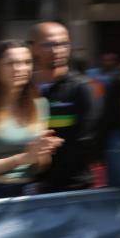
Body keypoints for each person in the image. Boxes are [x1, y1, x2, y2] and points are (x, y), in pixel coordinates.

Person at [0, 40, 62, 201]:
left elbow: (41, 166)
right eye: (11, 63)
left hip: (28, 193)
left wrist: (42, 154)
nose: (20, 68)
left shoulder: (40, 105)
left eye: (26, 62)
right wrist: (21, 159)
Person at [31, 22, 99, 193]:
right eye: (49, 44)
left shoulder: (80, 88)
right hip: (27, 189)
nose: (57, 50)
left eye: (63, 44)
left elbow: (85, 142)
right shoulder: (25, 88)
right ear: (33, 48)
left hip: (72, 190)